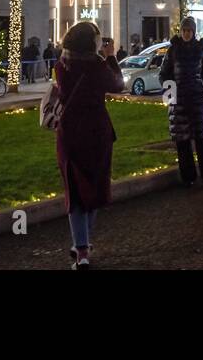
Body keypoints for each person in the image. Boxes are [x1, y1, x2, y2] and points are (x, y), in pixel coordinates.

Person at [53, 21, 125, 270]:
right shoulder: (97, 66)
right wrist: (111, 57)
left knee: (74, 190)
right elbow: (118, 84)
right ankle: (83, 246)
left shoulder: (62, 65)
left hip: (70, 132)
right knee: (94, 186)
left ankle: (81, 248)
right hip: (96, 132)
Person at [159, 16, 203, 187]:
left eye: (189, 31)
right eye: (184, 30)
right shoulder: (173, 50)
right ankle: (188, 177)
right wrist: (170, 91)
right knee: (182, 141)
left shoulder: (200, 50)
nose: (186, 33)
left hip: (197, 98)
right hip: (179, 100)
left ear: (194, 32)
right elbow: (164, 74)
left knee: (202, 139)